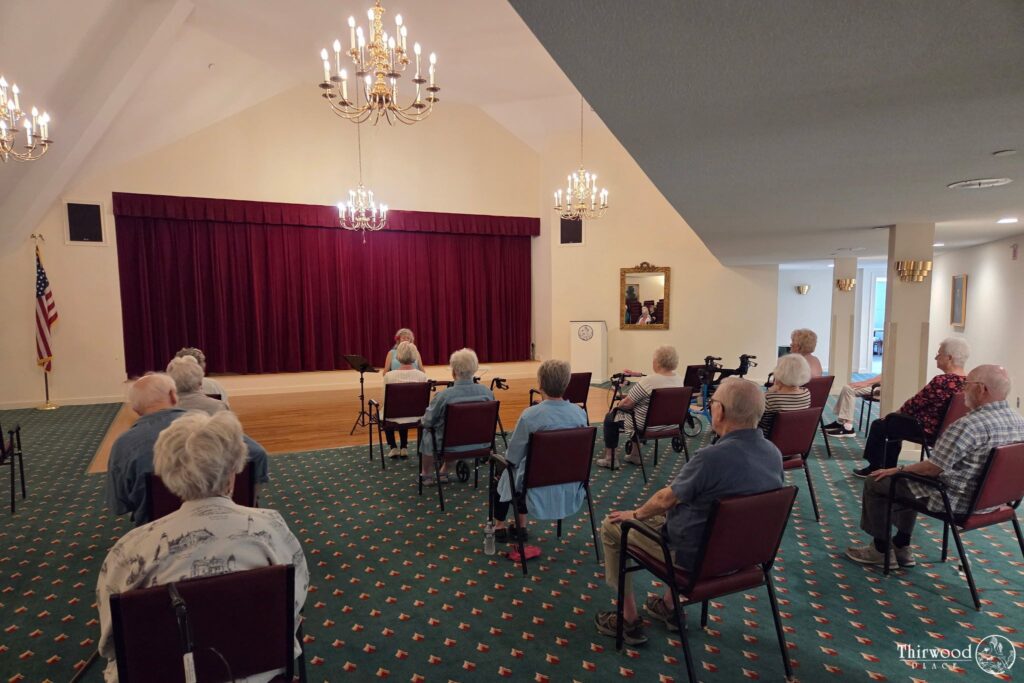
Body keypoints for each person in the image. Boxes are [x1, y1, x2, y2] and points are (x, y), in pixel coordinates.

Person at [96, 411, 308, 683]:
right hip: (259, 674)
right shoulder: (272, 528)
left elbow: (111, 642)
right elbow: (296, 601)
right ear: (234, 471)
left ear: (168, 474)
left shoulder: (130, 548)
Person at [594, 378, 785, 644]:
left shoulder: (711, 458)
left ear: (720, 412)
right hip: (745, 556)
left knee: (613, 526)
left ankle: (627, 619)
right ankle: (669, 608)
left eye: (713, 402)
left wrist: (635, 515)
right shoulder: (773, 453)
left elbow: (665, 499)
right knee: (697, 514)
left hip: (694, 559)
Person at [845, 364, 1024, 568]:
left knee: (878, 480)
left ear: (982, 389)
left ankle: (880, 549)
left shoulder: (968, 425)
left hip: (957, 502)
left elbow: (932, 468)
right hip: (997, 502)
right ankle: (901, 546)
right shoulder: (1019, 422)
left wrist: (898, 469)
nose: (962, 389)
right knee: (909, 482)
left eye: (967, 385)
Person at [106, 373, 269, 526]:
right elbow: (257, 454)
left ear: (135, 408)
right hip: (228, 521)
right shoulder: (210, 426)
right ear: (173, 395)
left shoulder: (123, 445)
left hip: (159, 529)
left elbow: (120, 504)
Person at [491, 360, 589, 542]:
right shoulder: (579, 414)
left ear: (540, 384)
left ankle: (500, 525)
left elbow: (512, 456)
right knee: (522, 469)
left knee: (504, 471)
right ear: (566, 384)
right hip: (570, 482)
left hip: (534, 486)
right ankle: (521, 525)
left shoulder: (530, 415)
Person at [850, 338, 969, 477]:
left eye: (939, 354)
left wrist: (892, 415)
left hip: (926, 429)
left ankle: (876, 467)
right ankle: (887, 468)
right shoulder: (968, 381)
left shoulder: (942, 381)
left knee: (881, 425)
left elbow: (914, 404)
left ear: (949, 358)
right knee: (893, 425)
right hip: (946, 431)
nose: (936, 357)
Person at [597, 346, 686, 468]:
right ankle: (635, 455)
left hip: (647, 427)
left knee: (611, 417)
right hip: (672, 426)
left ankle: (610, 458)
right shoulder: (679, 380)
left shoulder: (649, 381)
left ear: (657, 362)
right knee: (638, 411)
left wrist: (618, 405)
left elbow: (627, 404)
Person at [419, 348, 494, 482]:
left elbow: (427, 421)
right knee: (457, 431)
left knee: (428, 431)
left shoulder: (444, 396)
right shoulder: (487, 393)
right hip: (480, 444)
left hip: (449, 446)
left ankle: (426, 475)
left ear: (454, 372)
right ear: (475, 369)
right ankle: (444, 471)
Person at [382, 341, 428, 459]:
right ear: (414, 356)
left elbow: (386, 401)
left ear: (398, 356)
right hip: (417, 417)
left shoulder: (389, 376)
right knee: (406, 408)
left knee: (387, 411)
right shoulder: (422, 376)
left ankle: (393, 446)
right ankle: (404, 447)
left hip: (393, 416)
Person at [759, 353, 812, 436]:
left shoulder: (770, 397)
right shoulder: (806, 393)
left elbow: (757, 418)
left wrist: (769, 391)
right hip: (796, 438)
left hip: (769, 441)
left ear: (780, 372)